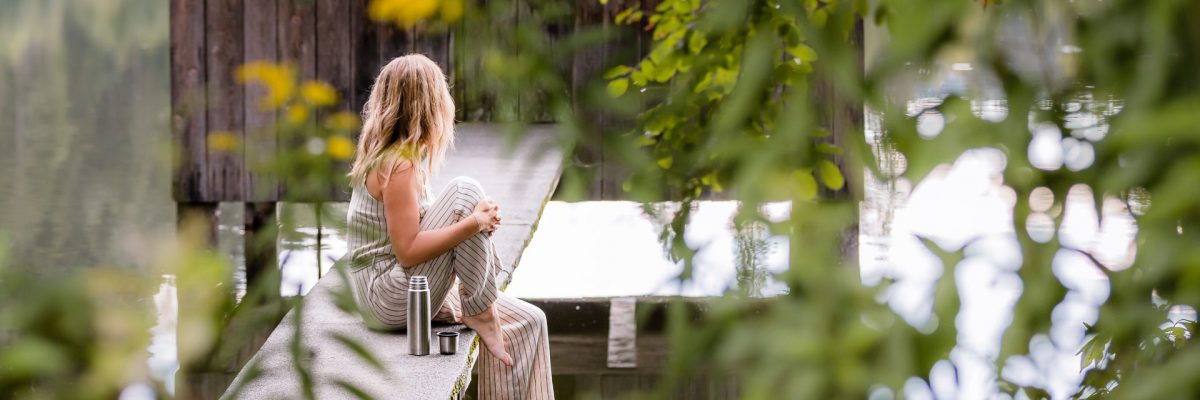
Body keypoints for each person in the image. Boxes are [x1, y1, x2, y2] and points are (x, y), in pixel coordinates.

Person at [343, 54, 554, 399]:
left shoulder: (402, 157)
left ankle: (483, 312)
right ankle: (481, 310)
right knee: (465, 191)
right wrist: (473, 223)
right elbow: (408, 251)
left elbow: (423, 232)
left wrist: (475, 224)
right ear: (430, 105)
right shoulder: (398, 164)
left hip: (408, 288)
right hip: (388, 297)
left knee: (529, 321)